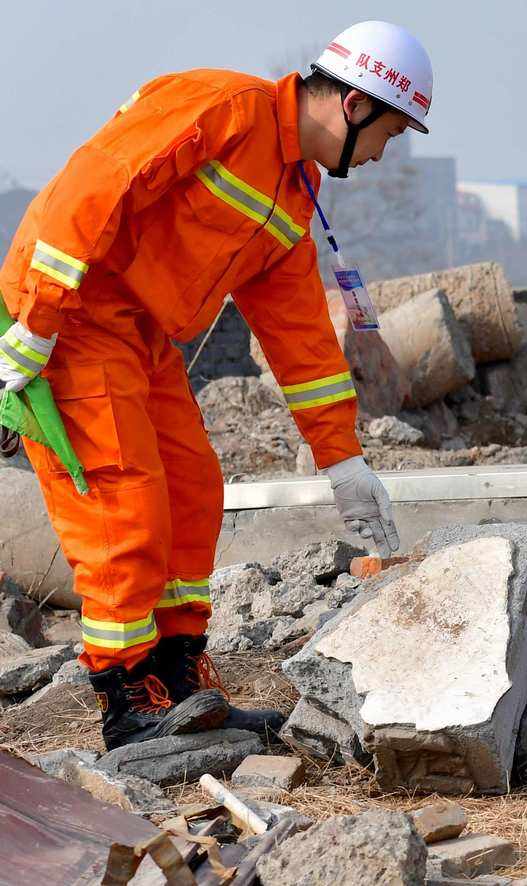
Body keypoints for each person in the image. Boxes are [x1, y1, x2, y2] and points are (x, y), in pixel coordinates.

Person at [0, 21, 432, 750]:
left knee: (193, 489)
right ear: (353, 106)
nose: (387, 153)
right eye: (391, 132)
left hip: (140, 337)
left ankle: (178, 680)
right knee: (124, 500)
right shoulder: (224, 108)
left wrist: (344, 463)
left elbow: (299, 339)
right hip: (72, 321)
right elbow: (93, 186)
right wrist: (35, 325)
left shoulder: (293, 194)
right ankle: (127, 700)